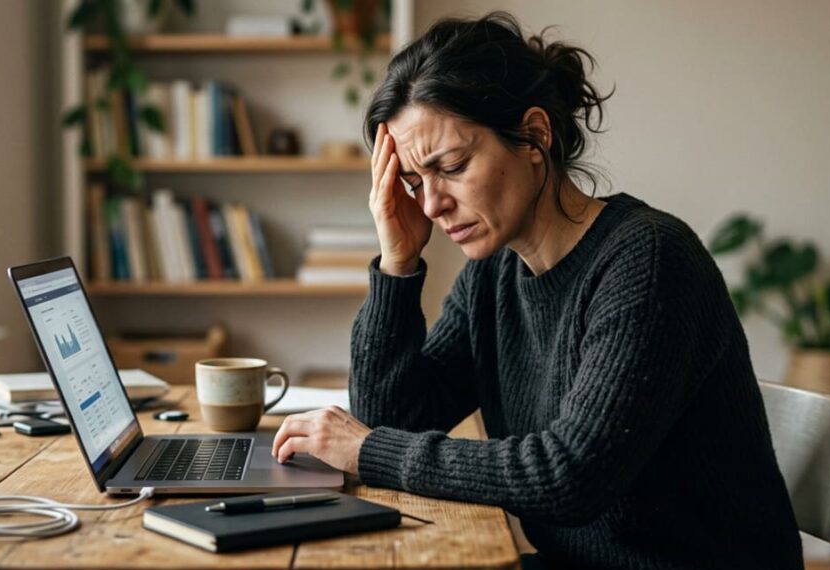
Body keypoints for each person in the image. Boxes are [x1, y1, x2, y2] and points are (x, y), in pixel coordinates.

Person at [272, 12, 803, 569]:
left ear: (534, 136)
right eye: (413, 181)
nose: (430, 204)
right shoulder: (495, 271)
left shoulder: (649, 263)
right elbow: (393, 418)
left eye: (450, 167)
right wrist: (399, 263)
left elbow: (568, 476)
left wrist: (367, 449)